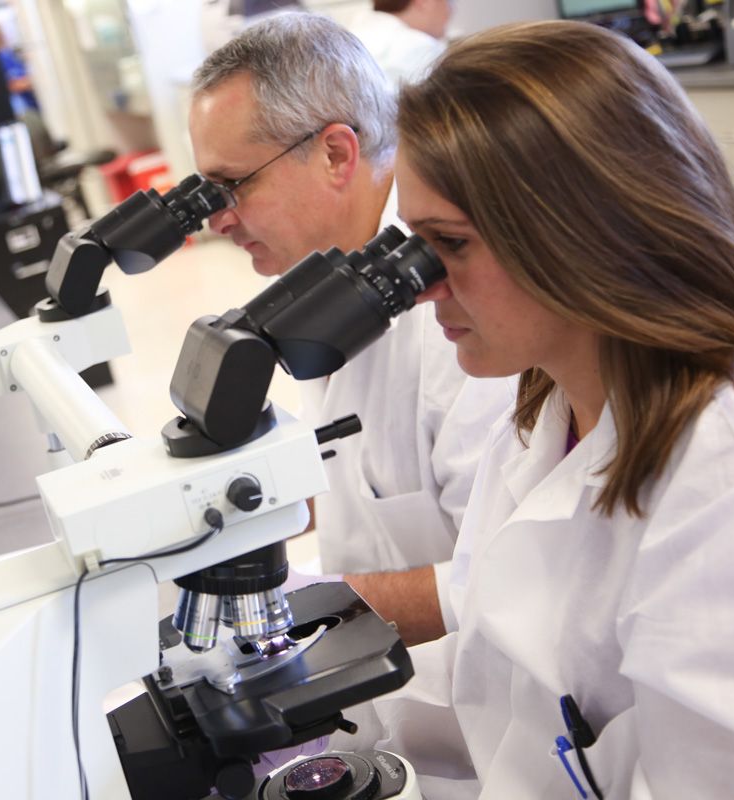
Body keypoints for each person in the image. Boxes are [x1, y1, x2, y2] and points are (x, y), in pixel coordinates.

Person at [333, 20, 734, 798]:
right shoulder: (552, 405)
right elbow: (505, 670)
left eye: (448, 245)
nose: (421, 288)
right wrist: (318, 714)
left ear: (577, 234)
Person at [188, 13, 513, 646]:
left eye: (231, 187)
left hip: (475, 705)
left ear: (336, 154)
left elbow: (510, 584)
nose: (215, 222)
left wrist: (291, 602)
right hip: (384, 682)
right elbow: (351, 471)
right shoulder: (326, 271)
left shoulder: (458, 305)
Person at [347, 0, 453, 86]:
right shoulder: (422, 49)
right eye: (450, 1)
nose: (452, 10)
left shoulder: (349, 34)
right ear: (424, 2)